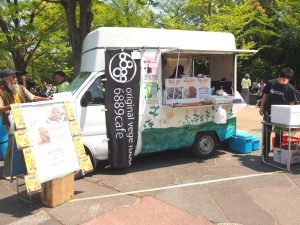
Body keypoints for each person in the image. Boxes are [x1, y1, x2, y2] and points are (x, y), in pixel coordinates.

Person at [0, 69, 51, 180]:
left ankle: (27, 169)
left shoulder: (20, 88)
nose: (15, 78)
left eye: (15, 76)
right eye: (12, 76)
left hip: (26, 119)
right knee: (12, 146)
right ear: (5, 79)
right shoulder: (1, 91)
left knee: (29, 144)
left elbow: (33, 98)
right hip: (11, 122)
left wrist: (47, 99)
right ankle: (7, 172)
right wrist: (10, 106)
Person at [259, 68, 297, 159]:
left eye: (286, 80)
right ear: (279, 76)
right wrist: (261, 107)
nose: (284, 81)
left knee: (279, 134)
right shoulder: (271, 83)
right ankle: (265, 153)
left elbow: (291, 103)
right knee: (266, 133)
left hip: (281, 115)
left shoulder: (290, 88)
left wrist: (291, 116)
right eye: (282, 79)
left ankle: (277, 153)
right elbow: (265, 95)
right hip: (269, 112)